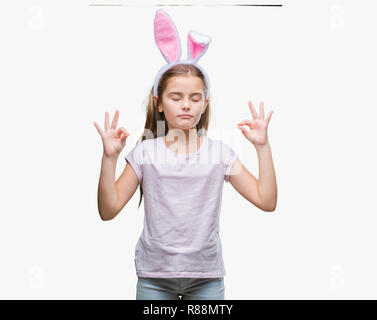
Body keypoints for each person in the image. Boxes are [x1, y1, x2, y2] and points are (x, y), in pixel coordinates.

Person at [93, 9, 277, 300]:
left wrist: (262, 147)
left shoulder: (220, 154)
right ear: (160, 103)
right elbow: (108, 210)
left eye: (195, 98)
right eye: (176, 97)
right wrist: (109, 159)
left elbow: (266, 201)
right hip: (154, 278)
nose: (186, 105)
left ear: (205, 103)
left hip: (206, 279)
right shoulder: (145, 153)